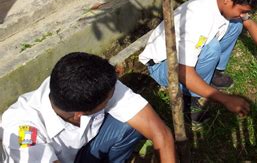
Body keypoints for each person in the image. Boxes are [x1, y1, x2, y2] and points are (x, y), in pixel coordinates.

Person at [139, 0, 257, 123]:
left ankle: (214, 74)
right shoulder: (198, 18)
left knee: (236, 25)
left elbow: (250, 24)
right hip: (163, 66)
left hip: (180, 59)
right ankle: (190, 102)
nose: (243, 14)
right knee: (211, 49)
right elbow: (183, 70)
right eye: (242, 11)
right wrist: (225, 99)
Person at [1, 52, 176, 163]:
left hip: (83, 151)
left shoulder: (94, 80)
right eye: (107, 101)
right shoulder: (22, 131)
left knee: (129, 125)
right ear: (79, 115)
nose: (114, 96)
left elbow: (160, 133)